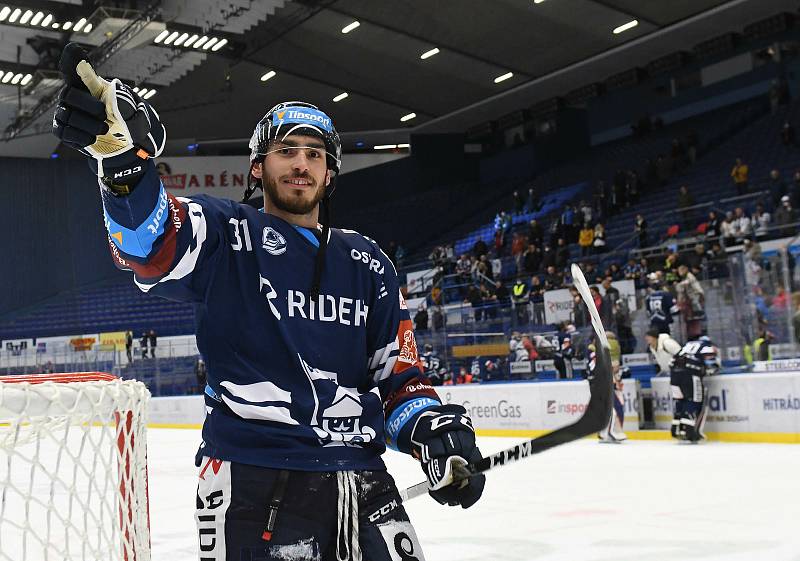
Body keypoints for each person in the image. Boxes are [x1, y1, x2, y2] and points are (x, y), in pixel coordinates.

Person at [53, 44, 485, 559]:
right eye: (286, 151)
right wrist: (126, 166)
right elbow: (148, 246)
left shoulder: (370, 263)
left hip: (365, 484)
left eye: (314, 154)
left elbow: (398, 382)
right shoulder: (225, 234)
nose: (301, 164)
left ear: (330, 173)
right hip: (254, 481)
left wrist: (432, 433)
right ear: (258, 168)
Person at [669, 336, 720, 442]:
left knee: (679, 400)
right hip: (690, 374)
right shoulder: (706, 346)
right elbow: (711, 363)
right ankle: (690, 432)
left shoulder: (686, 345)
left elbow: (671, 362)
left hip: (674, 374)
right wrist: (710, 370)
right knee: (694, 400)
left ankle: (677, 429)